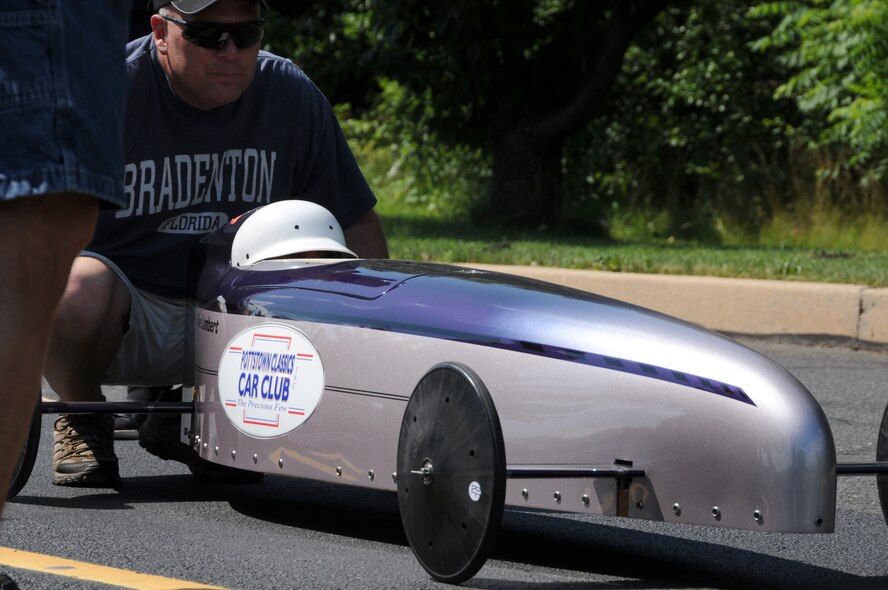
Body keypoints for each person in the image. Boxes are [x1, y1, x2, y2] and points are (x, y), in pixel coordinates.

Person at [42, 0, 389, 488]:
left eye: (245, 34)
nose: (230, 51)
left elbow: (353, 221)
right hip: (130, 310)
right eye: (208, 34)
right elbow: (33, 237)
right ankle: (82, 413)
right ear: (161, 32)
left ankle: (196, 419)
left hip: (241, 318)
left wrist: (376, 330)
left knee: (316, 259)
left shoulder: (288, 93)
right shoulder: (102, 93)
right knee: (73, 288)